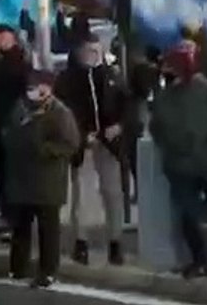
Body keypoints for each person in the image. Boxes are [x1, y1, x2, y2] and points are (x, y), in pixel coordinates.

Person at [150, 44, 207, 282]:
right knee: (188, 215)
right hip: (180, 166)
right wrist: (172, 147)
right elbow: (156, 129)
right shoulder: (164, 97)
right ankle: (199, 261)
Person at [54, 35, 128, 266]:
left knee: (113, 193)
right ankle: (81, 243)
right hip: (82, 144)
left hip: (109, 144)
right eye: (89, 51)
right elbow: (63, 112)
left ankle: (115, 242)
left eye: (97, 51)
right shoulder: (67, 79)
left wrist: (119, 126)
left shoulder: (112, 77)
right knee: (82, 197)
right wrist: (80, 134)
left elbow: (129, 107)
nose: (93, 55)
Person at [4, 69, 80, 288]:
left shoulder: (60, 112)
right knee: (21, 226)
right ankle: (18, 267)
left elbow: (71, 143)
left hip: (48, 180)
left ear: (48, 88)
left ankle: (48, 271)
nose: (32, 91)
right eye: (30, 86)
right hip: (22, 178)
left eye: (36, 86)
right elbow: (10, 131)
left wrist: (44, 150)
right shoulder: (20, 107)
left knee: (48, 229)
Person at [0, 24, 29, 229]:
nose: (0, 41)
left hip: (12, 124)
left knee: (13, 174)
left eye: (4, 37)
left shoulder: (20, 61)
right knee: (0, 173)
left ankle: (16, 218)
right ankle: (6, 214)